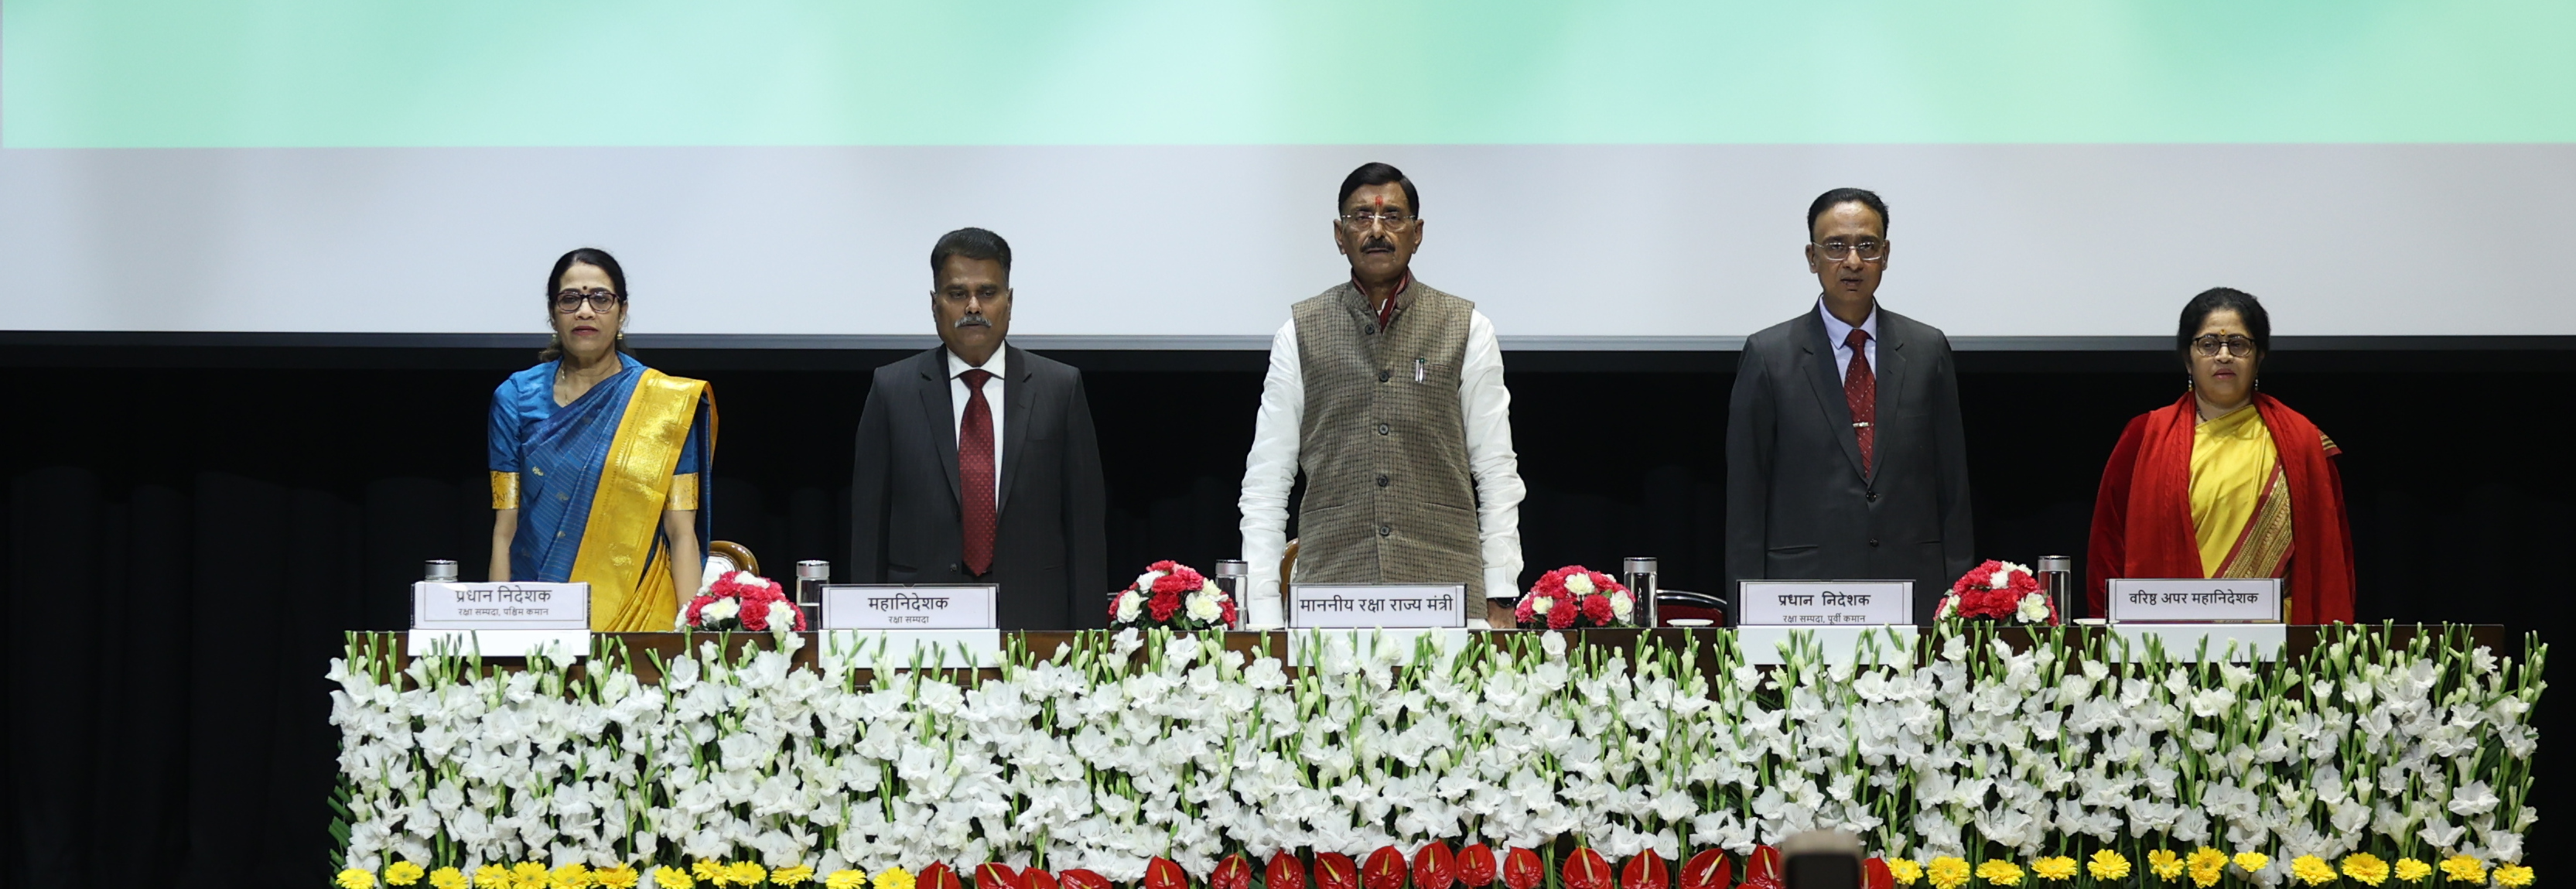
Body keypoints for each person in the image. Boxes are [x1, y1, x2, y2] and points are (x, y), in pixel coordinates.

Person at [1239, 162, 1527, 627]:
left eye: (1393, 217)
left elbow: (1496, 471)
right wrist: (1265, 606)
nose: (1377, 230)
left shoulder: (1467, 328)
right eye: (1361, 218)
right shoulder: (1300, 332)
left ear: (1417, 233)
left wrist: (1500, 592)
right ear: (1339, 234)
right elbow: (1267, 480)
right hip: (1331, 597)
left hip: (1446, 592)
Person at [1725, 188, 1973, 623]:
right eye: (1836, 247)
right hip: (1804, 597)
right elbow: (1747, 498)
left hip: (1914, 588)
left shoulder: (1926, 349)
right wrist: (1747, 613)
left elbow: (1953, 488)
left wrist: (1959, 599)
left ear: (1886, 254)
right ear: (1812, 257)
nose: (1853, 262)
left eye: (1867, 246)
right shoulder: (1769, 355)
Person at [849, 227, 1109, 629]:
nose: (973, 306)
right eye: (957, 294)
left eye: (987, 293)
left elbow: (1085, 533)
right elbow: (869, 530)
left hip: (1035, 622)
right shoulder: (891, 389)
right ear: (935, 305)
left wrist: (1091, 643)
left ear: (1010, 301)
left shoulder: (1060, 387)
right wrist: (861, 640)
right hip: (919, 623)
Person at [2086, 288, 2356, 622]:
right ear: (2188, 357)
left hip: (2274, 647)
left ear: (2259, 357)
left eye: (2239, 344)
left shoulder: (2303, 442)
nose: (2224, 356)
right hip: (2164, 645)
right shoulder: (2145, 436)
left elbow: (2333, 558)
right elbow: (2108, 551)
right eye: (2209, 344)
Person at [487, 248, 715, 630]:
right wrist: (499, 629)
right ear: (553, 312)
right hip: (539, 611)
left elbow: (681, 532)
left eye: (601, 298)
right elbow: (504, 528)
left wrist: (689, 639)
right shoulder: (514, 397)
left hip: (636, 615)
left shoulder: (663, 402)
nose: (585, 311)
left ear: (622, 311)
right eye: (570, 298)